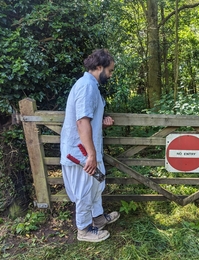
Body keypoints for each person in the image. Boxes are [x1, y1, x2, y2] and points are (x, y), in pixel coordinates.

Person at [60, 49, 120, 242]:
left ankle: (98, 218)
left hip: (87, 149)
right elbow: (81, 122)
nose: (110, 75)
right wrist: (91, 156)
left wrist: (101, 122)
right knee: (85, 189)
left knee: (96, 183)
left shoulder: (90, 85)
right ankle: (84, 229)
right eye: (110, 71)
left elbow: (88, 118)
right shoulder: (87, 86)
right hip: (82, 152)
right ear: (99, 67)